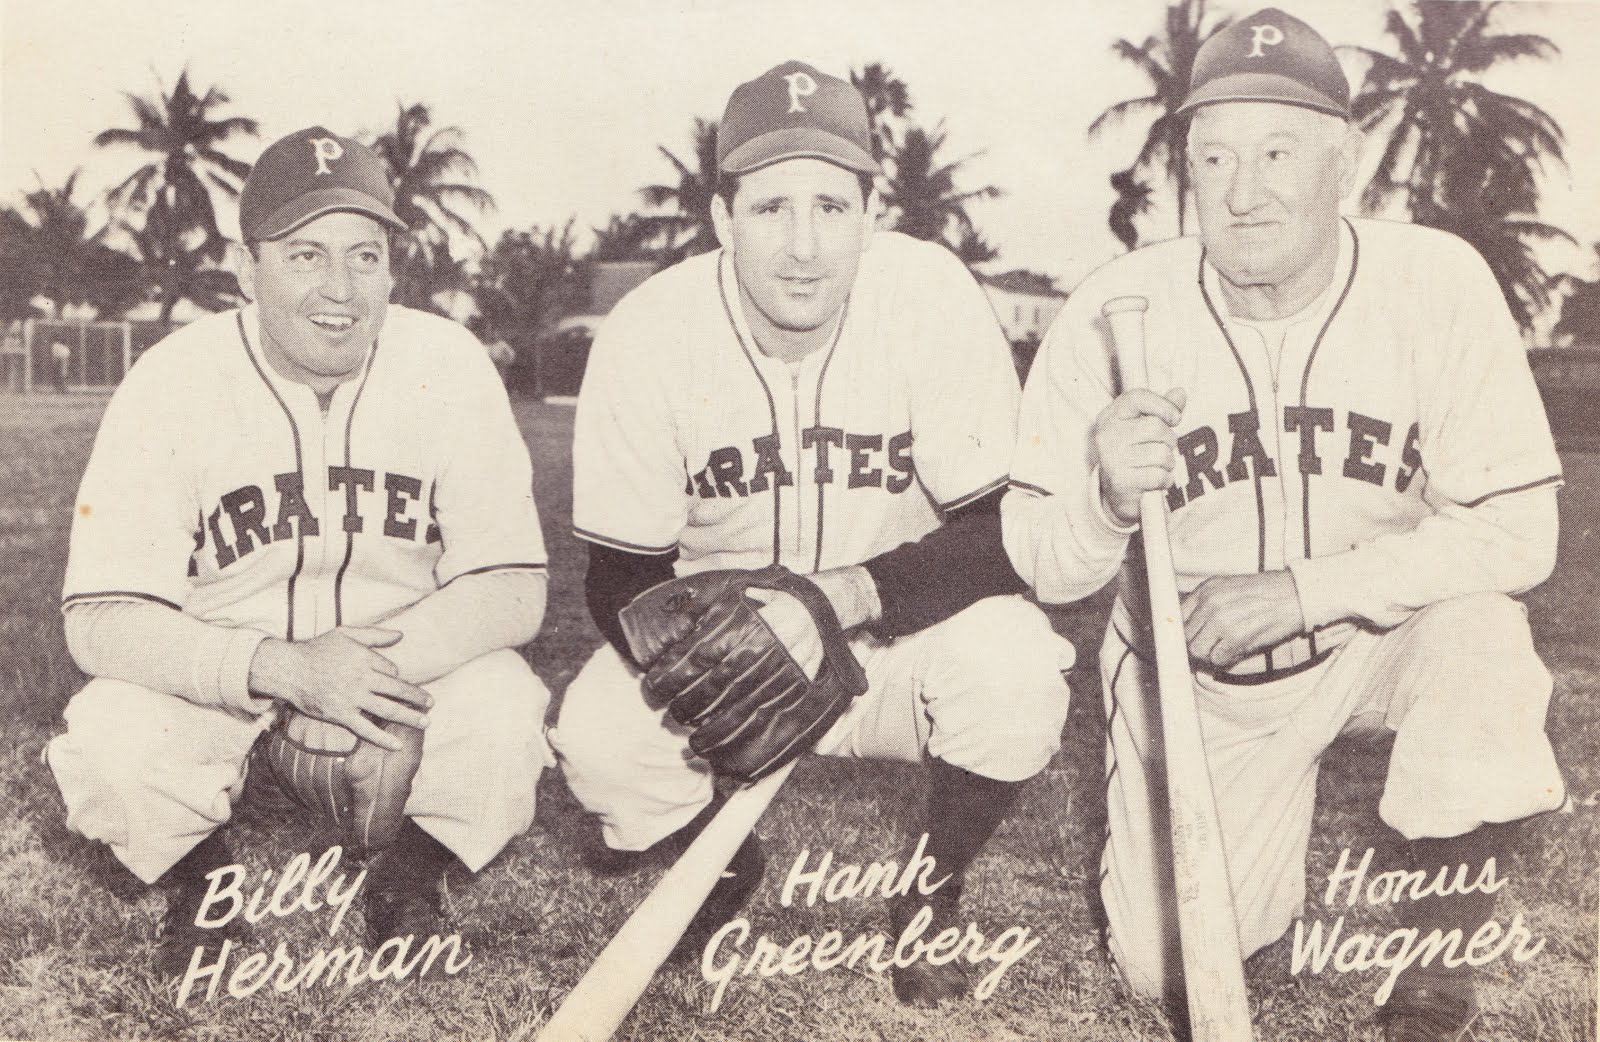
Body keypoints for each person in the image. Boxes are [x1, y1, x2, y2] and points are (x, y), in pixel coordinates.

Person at [1003, 10, 1564, 1040]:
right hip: (1197, 682)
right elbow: (1043, 562)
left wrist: (1306, 590)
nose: (1241, 188)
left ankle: (1434, 964)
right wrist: (1100, 499)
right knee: (1159, 972)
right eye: (1212, 154)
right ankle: (1258, 868)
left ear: (1342, 160)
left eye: (1276, 152)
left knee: (1482, 634)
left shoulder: (1434, 283)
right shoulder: (1111, 309)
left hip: (1375, 637)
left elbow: (1521, 530)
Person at [550, 61, 1073, 1005]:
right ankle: (723, 869)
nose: (803, 246)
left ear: (873, 214)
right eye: (771, 208)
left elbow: (1001, 535)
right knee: (594, 738)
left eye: (832, 208)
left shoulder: (932, 296)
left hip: (905, 643)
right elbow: (617, 573)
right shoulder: (651, 328)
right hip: (730, 661)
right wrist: (709, 651)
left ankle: (927, 896)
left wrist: (843, 596)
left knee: (1018, 668)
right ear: (721, 218)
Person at [45, 127, 551, 975]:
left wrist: (357, 676)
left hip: (399, 673)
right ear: (247, 269)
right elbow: (97, 620)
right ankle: (201, 875)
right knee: (109, 740)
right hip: (223, 671)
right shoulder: (172, 381)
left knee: (504, 715)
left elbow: (511, 586)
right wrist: (286, 669)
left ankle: (409, 874)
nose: (340, 289)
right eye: (304, 254)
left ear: (393, 266)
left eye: (364, 255)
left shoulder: (450, 364)